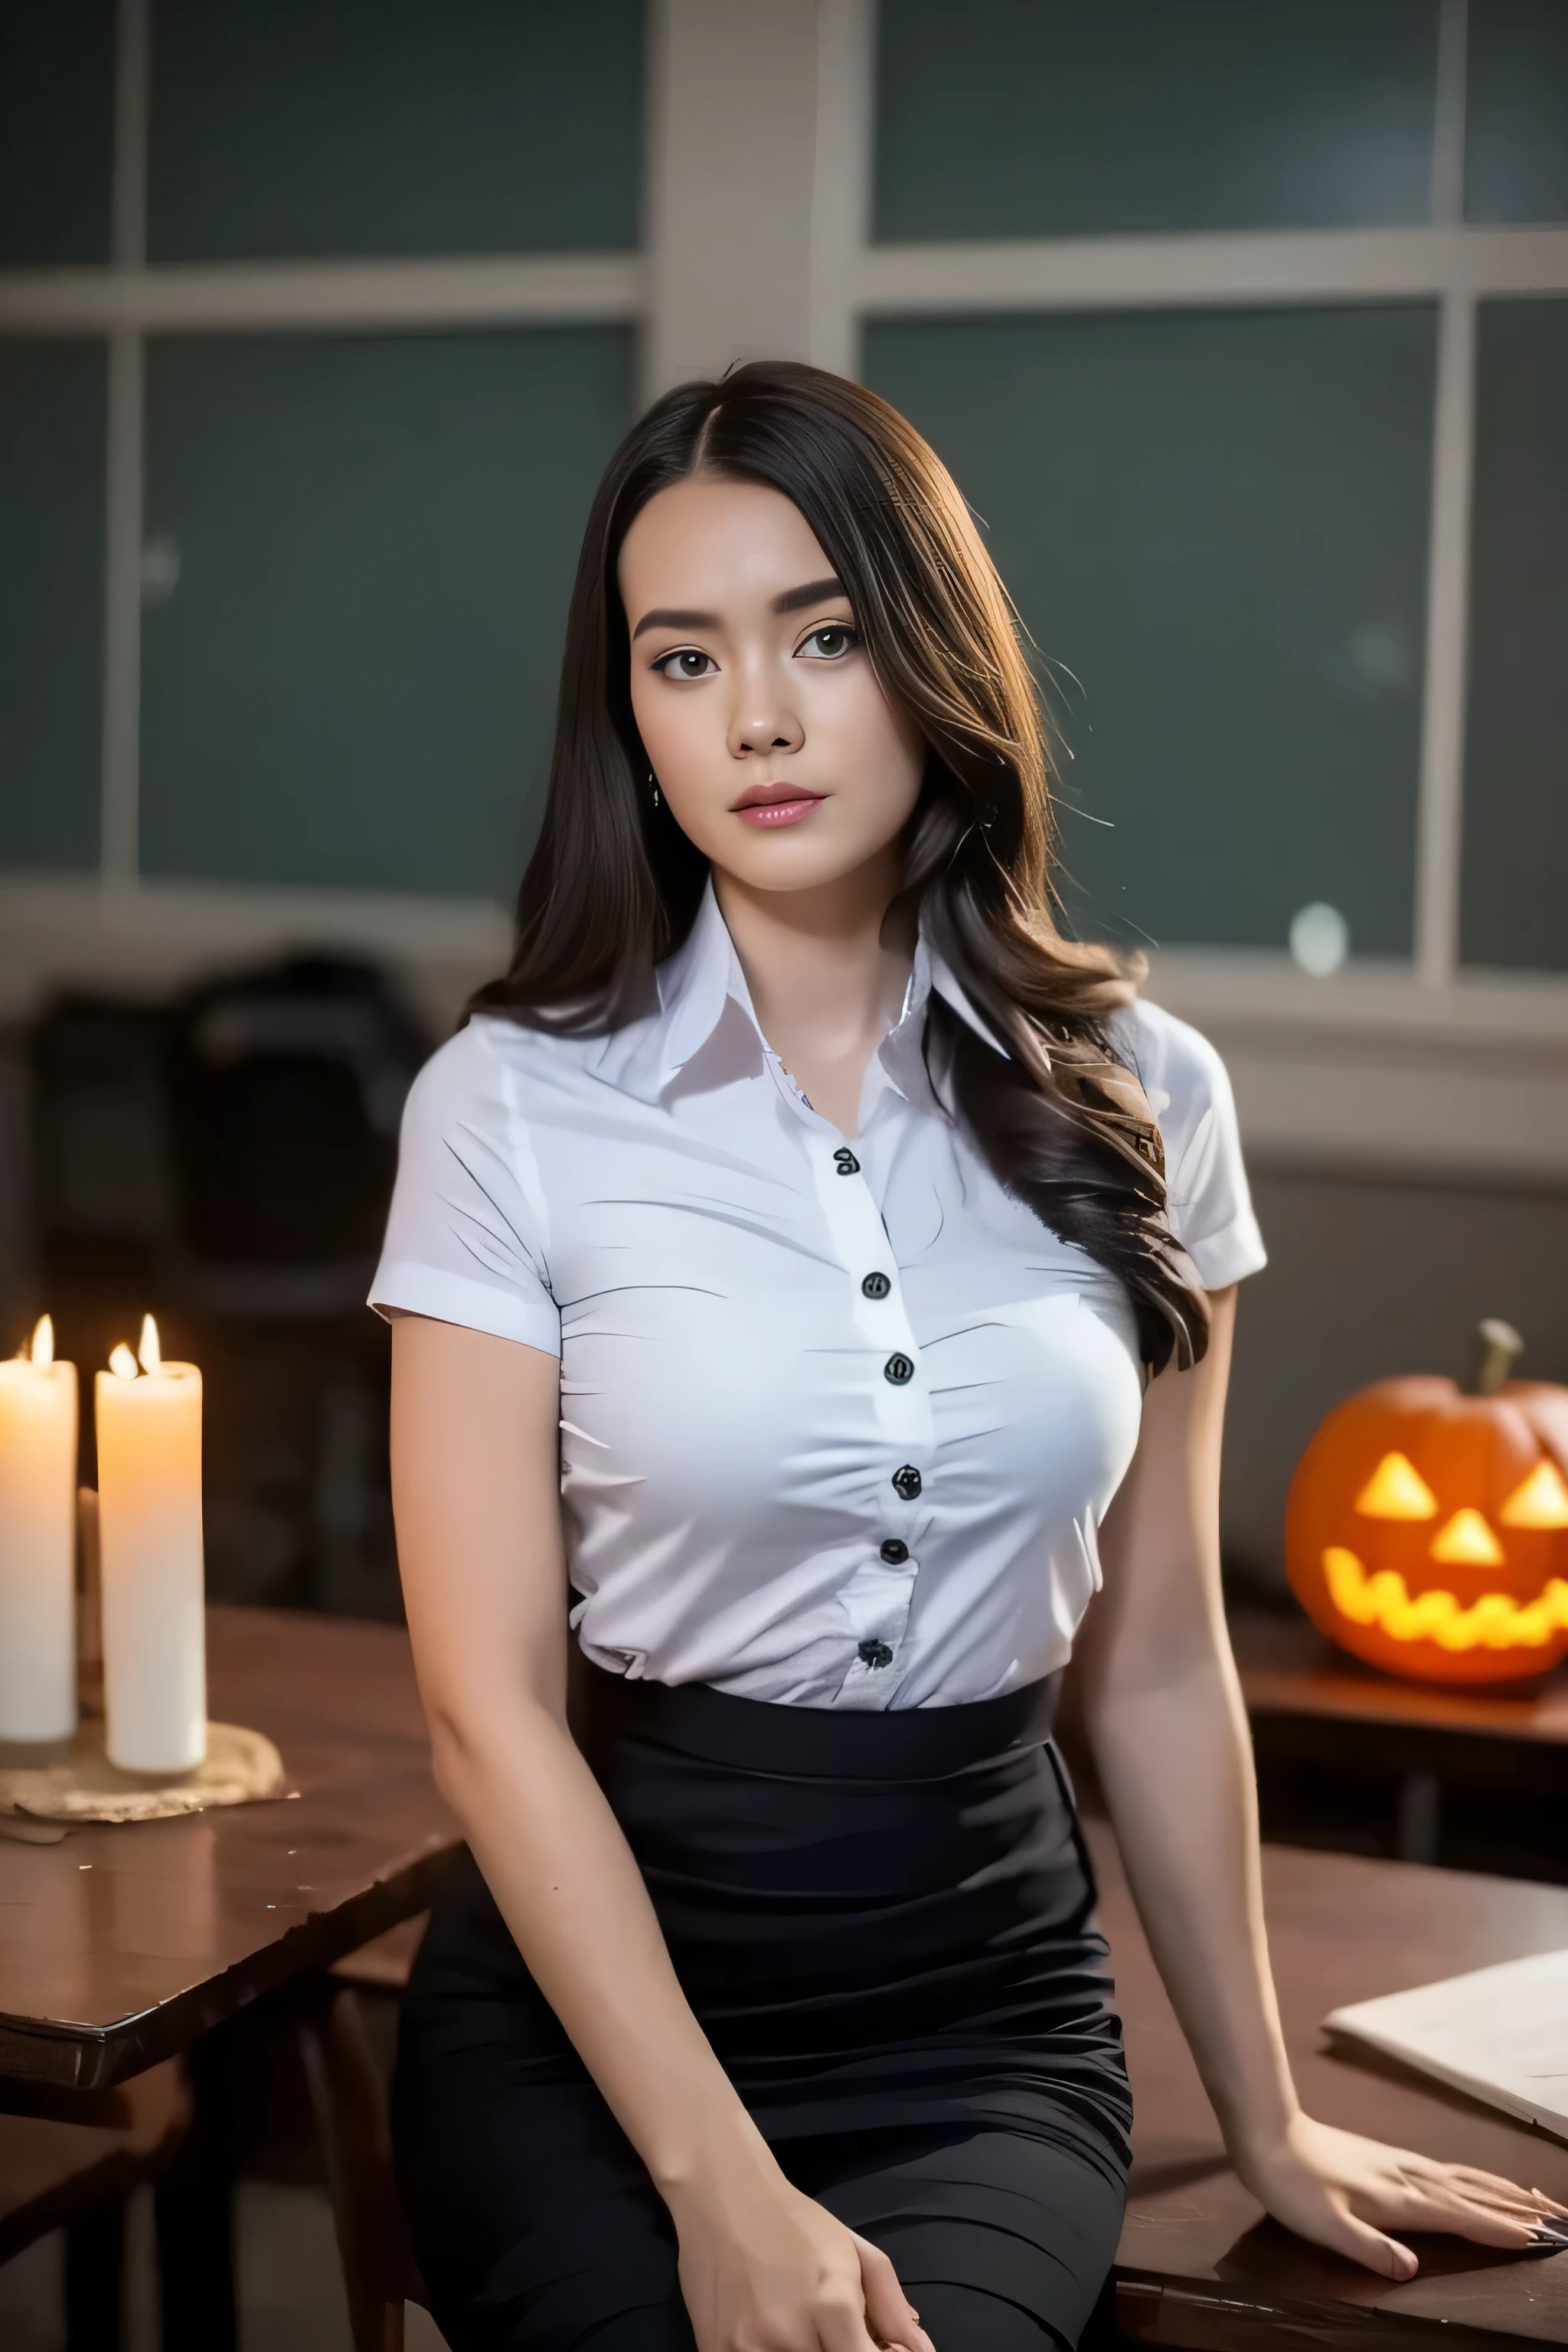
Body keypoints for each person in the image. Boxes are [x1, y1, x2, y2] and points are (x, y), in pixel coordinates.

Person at [371, 363, 1562, 2352]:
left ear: (931, 657)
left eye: (823, 635)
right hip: (599, 2038)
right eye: (684, 658)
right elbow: (487, 1715)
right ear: (630, 717)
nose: (756, 714)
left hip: (976, 2029)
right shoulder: (506, 1110)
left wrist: (1265, 2117)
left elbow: (1162, 1661)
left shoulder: (1148, 1095)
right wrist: (721, 2189)